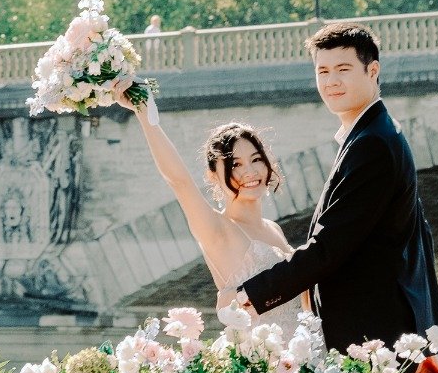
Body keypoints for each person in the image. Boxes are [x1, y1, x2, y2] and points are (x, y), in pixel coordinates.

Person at [227, 22, 438, 353]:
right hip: (381, 330)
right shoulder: (377, 134)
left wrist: (251, 294)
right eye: (322, 71)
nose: (330, 82)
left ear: (373, 71)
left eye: (343, 69)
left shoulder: (372, 144)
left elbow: (330, 246)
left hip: (373, 338)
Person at [112, 80, 304, 333]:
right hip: (263, 364)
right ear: (213, 175)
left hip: (306, 358)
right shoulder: (217, 228)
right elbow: (179, 181)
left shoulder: (273, 229)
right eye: (235, 164)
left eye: (256, 159)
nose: (250, 171)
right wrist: (144, 113)